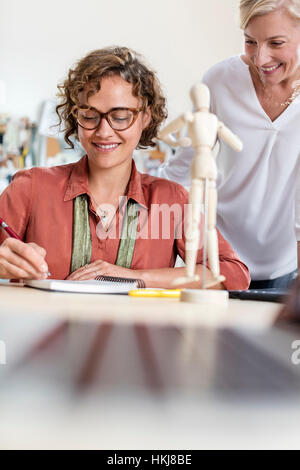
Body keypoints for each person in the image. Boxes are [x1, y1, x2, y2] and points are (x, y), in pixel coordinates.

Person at [0, 46, 249, 290]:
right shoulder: (31, 187)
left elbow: (234, 273)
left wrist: (136, 277)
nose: (104, 131)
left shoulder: (171, 199)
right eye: (89, 115)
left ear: (146, 117)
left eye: (120, 117)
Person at [159, 0, 300, 289]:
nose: (261, 59)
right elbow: (183, 168)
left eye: (276, 43)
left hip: (287, 268)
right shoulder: (221, 80)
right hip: (221, 262)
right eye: (250, 42)